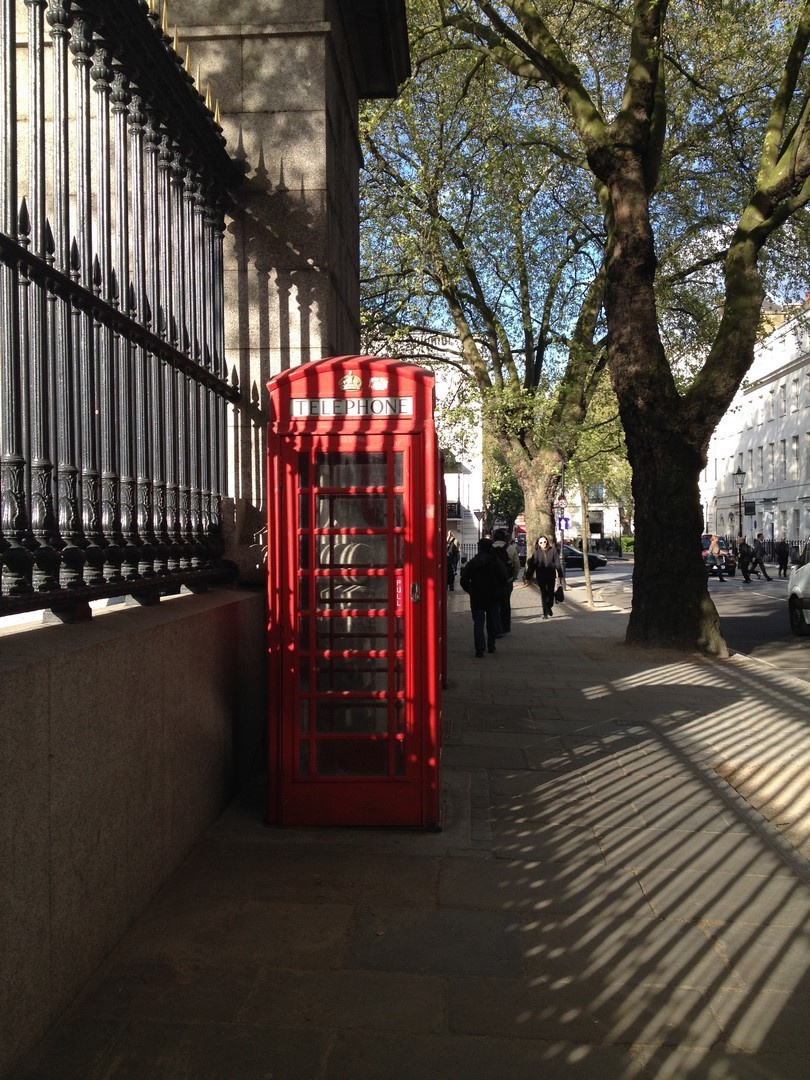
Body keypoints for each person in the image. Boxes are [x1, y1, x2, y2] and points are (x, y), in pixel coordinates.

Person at [460, 537, 509, 657]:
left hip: (477, 596)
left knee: (478, 623)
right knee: (491, 622)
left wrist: (470, 591)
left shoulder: (473, 562)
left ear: (479, 548)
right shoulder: (496, 562)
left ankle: (480, 648)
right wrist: (499, 590)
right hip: (493, 596)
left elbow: (463, 580)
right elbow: (504, 578)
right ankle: (491, 646)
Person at [492, 528, 520, 633]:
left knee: (494, 604)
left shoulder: (490, 548)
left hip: (493, 581)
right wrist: (513, 578)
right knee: (505, 604)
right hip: (506, 581)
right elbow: (517, 566)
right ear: (505, 538)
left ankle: (495, 626)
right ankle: (505, 627)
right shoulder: (511, 549)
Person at [531, 534, 564, 619]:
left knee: (550, 593)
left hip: (551, 575)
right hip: (541, 576)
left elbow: (557, 563)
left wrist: (560, 574)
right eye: (541, 542)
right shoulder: (536, 552)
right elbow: (532, 565)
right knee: (543, 593)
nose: (543, 544)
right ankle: (545, 613)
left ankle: (549, 606)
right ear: (538, 543)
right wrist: (527, 577)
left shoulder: (553, 550)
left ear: (547, 542)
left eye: (544, 542)